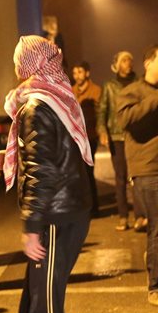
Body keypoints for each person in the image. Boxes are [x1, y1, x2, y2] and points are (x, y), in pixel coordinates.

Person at [4, 36, 94, 313]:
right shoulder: (53, 96)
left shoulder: (36, 105)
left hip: (56, 218)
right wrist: (0, 160)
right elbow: (51, 155)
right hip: (66, 211)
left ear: (28, 64)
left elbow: (43, 171)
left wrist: (30, 227)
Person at [116, 45, 158, 309]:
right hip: (148, 169)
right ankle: (156, 288)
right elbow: (125, 119)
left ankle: (156, 255)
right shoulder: (132, 91)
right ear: (148, 63)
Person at [97, 51, 141, 231]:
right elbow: (102, 110)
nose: (128, 63)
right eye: (124, 60)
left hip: (135, 134)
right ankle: (123, 216)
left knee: (137, 177)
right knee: (120, 177)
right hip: (116, 136)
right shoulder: (109, 86)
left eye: (130, 60)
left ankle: (140, 215)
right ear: (117, 64)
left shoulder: (138, 83)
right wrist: (102, 130)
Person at [71, 61, 102, 216]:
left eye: (80, 72)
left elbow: (100, 114)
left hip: (90, 137)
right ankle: (83, 206)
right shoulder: (71, 91)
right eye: (75, 73)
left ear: (87, 73)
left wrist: (101, 133)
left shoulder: (96, 90)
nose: (77, 76)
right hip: (76, 138)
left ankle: (93, 208)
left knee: (88, 172)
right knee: (79, 174)